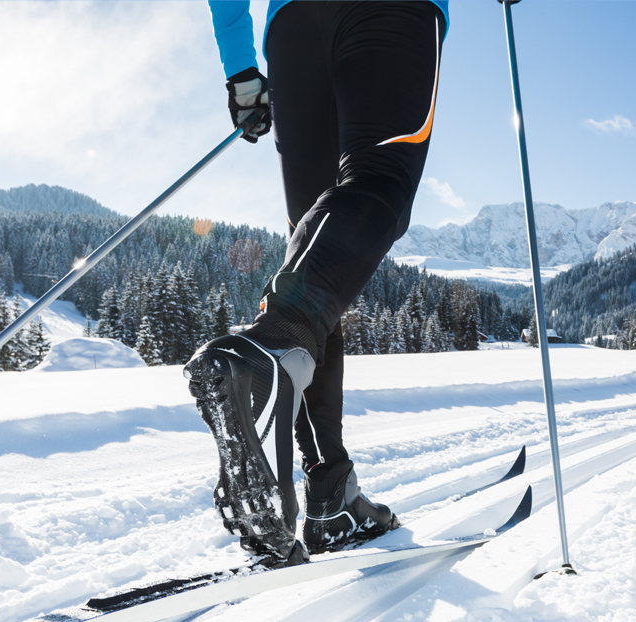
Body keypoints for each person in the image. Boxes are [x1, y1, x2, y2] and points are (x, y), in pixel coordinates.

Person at [185, 0, 449, 564]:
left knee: (315, 263)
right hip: (389, 13)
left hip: (293, 30)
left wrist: (239, 68)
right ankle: (273, 351)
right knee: (378, 182)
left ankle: (330, 490)